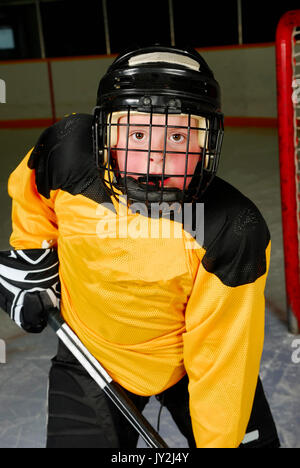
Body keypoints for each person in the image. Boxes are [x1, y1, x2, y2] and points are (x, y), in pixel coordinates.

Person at [0, 45, 280, 448]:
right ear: (105, 136)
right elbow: (32, 198)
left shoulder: (233, 230)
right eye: (136, 133)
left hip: (189, 364)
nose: (155, 161)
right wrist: (31, 260)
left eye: (179, 135)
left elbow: (221, 362)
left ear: (205, 146)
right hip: (90, 352)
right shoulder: (68, 151)